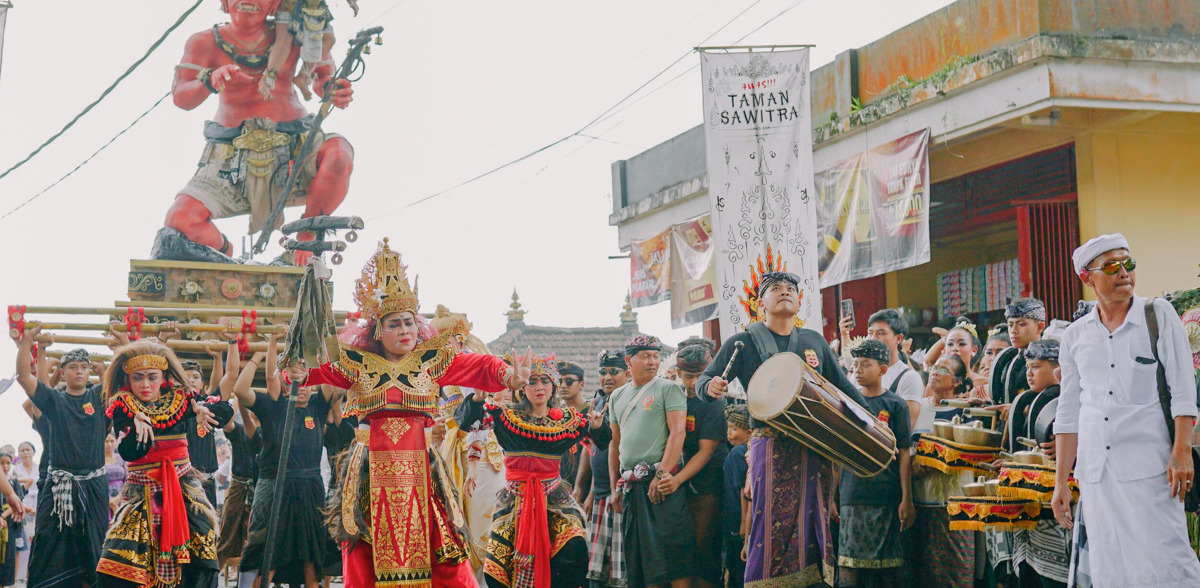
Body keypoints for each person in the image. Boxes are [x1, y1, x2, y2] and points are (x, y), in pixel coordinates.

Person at [307, 239, 531, 587]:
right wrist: (294, 368)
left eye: (410, 323)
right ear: (377, 330)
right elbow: (310, 368)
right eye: (395, 324)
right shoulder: (355, 363)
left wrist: (508, 375)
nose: (405, 331)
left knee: (442, 545)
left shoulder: (432, 361)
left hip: (421, 468)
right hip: (370, 469)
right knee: (365, 547)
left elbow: (477, 365)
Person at [699, 272, 866, 587]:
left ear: (800, 302)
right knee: (771, 521)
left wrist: (871, 423)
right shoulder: (743, 342)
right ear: (760, 302)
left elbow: (844, 389)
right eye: (775, 289)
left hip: (814, 445)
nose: (785, 292)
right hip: (771, 443)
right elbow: (704, 380)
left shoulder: (814, 341)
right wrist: (710, 386)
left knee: (814, 520)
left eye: (791, 289)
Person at [1052, 233, 1200, 587]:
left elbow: (1183, 391)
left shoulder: (1157, 315)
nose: (1123, 273)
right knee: (1110, 567)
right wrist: (1061, 482)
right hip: (1096, 474)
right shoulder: (1075, 336)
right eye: (1111, 267)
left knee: (1168, 565)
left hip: (1152, 470)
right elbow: (1069, 413)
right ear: (1087, 277)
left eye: (1128, 264)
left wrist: (1182, 451)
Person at [165, 0, 355, 265]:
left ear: (275, 4)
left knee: (340, 153)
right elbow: (182, 97)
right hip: (231, 157)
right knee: (181, 219)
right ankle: (224, 254)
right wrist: (210, 79)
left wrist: (333, 89)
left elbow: (323, 76)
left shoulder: (295, 33)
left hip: (295, 148)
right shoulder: (203, 42)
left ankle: (307, 236)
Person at [456, 353, 608, 588]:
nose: (539, 387)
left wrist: (597, 427)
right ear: (522, 388)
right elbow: (467, 423)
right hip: (515, 498)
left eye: (545, 381)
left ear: (553, 386)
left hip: (554, 497)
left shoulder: (567, 421)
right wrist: (477, 398)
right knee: (498, 566)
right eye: (532, 382)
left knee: (572, 546)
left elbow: (604, 439)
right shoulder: (505, 416)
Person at [95, 339, 233, 587]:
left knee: (203, 548)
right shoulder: (123, 405)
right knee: (118, 560)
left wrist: (205, 409)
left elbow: (224, 410)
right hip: (141, 490)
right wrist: (137, 428)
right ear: (128, 378)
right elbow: (129, 452)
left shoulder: (182, 398)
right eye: (137, 378)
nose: (145, 385)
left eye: (152, 377)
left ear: (163, 376)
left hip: (184, 487)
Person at [232, 333, 335, 588]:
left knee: (310, 548)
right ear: (284, 383)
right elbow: (244, 388)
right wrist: (265, 350)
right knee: (266, 544)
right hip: (275, 484)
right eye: (292, 380)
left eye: (306, 381)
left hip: (310, 487)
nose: (300, 387)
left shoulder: (317, 407)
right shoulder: (274, 405)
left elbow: (331, 381)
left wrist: (320, 347)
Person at [10, 337, 110, 588]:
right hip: (58, 487)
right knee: (48, 542)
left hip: (94, 487)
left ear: (89, 370)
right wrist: (27, 342)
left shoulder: (99, 397)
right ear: (63, 373)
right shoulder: (54, 400)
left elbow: (120, 379)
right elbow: (24, 376)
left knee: (96, 544)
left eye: (84, 367)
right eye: (73, 367)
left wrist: (118, 347)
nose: (79, 371)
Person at [607, 335, 694, 588]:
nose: (652, 362)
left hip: (662, 482)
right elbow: (615, 443)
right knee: (642, 559)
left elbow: (678, 433)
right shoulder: (617, 396)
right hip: (632, 485)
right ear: (628, 360)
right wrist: (614, 488)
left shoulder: (669, 389)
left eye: (656, 356)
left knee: (675, 556)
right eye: (645, 356)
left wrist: (661, 474)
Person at [837, 339, 913, 588]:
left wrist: (907, 498)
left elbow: (904, 452)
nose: (858, 370)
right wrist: (831, 496)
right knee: (849, 573)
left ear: (882, 369)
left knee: (889, 574)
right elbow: (838, 454)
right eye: (856, 365)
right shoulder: (847, 404)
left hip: (886, 495)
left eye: (865, 364)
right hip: (852, 494)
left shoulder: (896, 405)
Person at [906, 355, 977, 588]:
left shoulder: (967, 411)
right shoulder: (918, 408)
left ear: (957, 381)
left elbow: (971, 452)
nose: (935, 372)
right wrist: (915, 461)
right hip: (920, 503)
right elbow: (907, 446)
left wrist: (933, 461)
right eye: (934, 368)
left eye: (944, 370)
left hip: (954, 505)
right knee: (922, 573)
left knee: (956, 571)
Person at [1007, 339, 1071, 588]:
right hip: (1030, 510)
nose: (1029, 374)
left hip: (1058, 506)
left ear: (1058, 369)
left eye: (1036, 367)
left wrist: (1068, 447)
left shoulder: (1070, 402)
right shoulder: (1028, 402)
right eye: (1028, 367)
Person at [674, 342, 727, 588]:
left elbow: (706, 452)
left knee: (704, 543)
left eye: (700, 375)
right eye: (689, 376)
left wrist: (677, 479)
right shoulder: (674, 398)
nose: (695, 382)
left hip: (708, 482)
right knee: (684, 546)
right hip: (680, 482)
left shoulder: (714, 403)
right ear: (678, 373)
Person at [584, 351, 629, 588]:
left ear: (627, 373)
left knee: (620, 571)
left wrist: (614, 490)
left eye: (614, 371)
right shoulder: (599, 401)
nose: (607, 377)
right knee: (597, 569)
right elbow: (593, 447)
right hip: (601, 494)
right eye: (603, 372)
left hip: (621, 493)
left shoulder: (631, 400)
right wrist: (591, 491)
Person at [216, 397, 260, 573]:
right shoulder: (240, 429)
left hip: (262, 488)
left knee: (260, 541)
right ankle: (212, 582)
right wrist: (238, 400)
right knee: (226, 538)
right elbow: (227, 423)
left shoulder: (272, 432)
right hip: (239, 487)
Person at [865, 309, 924, 425]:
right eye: (870, 333)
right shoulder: (860, 373)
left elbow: (905, 428)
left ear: (899, 338)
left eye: (881, 333)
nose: (873, 339)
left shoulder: (909, 378)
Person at [722, 405, 752, 588]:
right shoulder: (743, 451)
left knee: (736, 567)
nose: (729, 433)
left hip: (737, 519)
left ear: (749, 432)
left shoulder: (738, 453)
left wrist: (743, 524)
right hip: (737, 518)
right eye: (728, 428)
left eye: (733, 429)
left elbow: (743, 490)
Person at [557, 361, 590, 492]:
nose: (563, 386)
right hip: (560, 486)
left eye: (569, 381)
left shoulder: (592, 413)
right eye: (559, 382)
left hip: (585, 487)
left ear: (581, 384)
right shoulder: (556, 415)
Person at [0, 450, 25, 588]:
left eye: (8, 463)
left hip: (9, 523)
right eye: (1, 463)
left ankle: (7, 583)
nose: (5, 466)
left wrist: (3, 515)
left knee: (9, 553)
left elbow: (17, 500)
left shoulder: (13, 481)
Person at [103, 434, 126, 518]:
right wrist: (110, 502)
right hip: (104, 496)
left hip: (122, 495)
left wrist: (120, 497)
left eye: (112, 441)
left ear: (116, 441)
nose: (109, 444)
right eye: (106, 441)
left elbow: (128, 478)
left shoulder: (122, 458)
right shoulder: (98, 460)